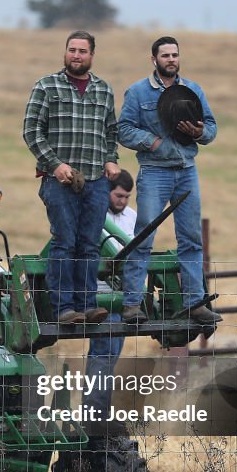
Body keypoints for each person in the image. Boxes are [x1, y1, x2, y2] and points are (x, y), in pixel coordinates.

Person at [118, 36, 221, 325]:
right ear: (154, 59)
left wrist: (199, 132)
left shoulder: (192, 90)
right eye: (165, 55)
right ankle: (131, 304)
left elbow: (211, 129)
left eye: (175, 54)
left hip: (187, 170)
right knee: (144, 236)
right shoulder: (138, 92)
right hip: (154, 172)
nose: (171, 59)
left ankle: (194, 302)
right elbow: (123, 129)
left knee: (191, 238)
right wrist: (151, 142)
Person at [23, 31, 119, 326]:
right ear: (65, 53)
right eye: (72, 50)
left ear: (92, 55)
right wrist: (54, 165)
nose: (76, 55)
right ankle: (64, 308)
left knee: (90, 244)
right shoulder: (46, 86)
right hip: (59, 181)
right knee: (64, 242)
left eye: (82, 51)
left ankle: (88, 305)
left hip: (95, 181)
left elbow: (111, 133)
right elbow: (31, 131)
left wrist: (111, 159)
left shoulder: (104, 90)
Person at [85, 169, 136, 415]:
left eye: (127, 197)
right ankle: (94, 411)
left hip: (123, 297)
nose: (122, 201)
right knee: (102, 353)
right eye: (118, 195)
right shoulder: (93, 214)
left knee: (112, 355)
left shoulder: (132, 218)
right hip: (101, 296)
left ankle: (99, 409)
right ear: (107, 191)